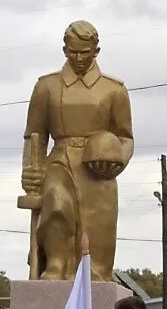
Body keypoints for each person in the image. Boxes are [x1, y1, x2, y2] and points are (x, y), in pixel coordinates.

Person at [21, 19, 134, 282]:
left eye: (85, 51)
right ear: (64, 50)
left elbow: (126, 138)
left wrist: (117, 159)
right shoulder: (46, 87)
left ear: (96, 50)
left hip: (99, 170)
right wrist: (30, 171)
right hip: (59, 161)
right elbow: (34, 136)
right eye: (73, 51)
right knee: (57, 205)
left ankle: (93, 275)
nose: (79, 57)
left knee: (97, 234)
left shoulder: (114, 90)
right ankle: (56, 266)